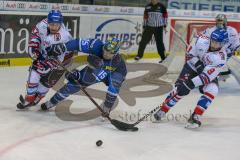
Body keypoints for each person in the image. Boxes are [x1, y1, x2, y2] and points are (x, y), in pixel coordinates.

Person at [153, 28, 229, 128]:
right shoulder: (201, 40)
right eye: (213, 41)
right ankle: (163, 109)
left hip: (205, 74)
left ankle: (195, 116)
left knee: (213, 89)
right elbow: (190, 54)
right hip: (191, 67)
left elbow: (205, 77)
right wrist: (198, 64)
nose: (214, 45)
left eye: (217, 43)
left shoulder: (221, 58)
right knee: (180, 90)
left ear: (223, 44)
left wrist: (189, 84)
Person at [40, 37, 127, 117]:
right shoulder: (97, 45)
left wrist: (78, 76)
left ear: (116, 54)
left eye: (110, 53)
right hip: (98, 68)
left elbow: (91, 79)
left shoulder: (117, 62)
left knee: (112, 89)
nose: (106, 54)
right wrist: (62, 47)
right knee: (72, 85)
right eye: (105, 50)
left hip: (116, 72)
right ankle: (52, 102)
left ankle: (106, 109)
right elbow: (78, 43)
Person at [17, 10, 73, 109]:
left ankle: (37, 97)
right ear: (48, 22)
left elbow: (67, 54)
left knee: (47, 82)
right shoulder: (42, 25)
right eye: (51, 24)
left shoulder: (65, 36)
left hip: (62, 61)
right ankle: (29, 99)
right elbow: (35, 36)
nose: (54, 27)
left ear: (60, 24)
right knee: (34, 72)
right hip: (45, 55)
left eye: (57, 25)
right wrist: (34, 47)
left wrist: (51, 64)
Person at [202, 14, 240, 80]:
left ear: (225, 21)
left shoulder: (232, 31)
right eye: (218, 21)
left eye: (221, 21)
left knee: (236, 62)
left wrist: (235, 53)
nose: (220, 23)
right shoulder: (210, 31)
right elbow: (204, 45)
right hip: (215, 55)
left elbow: (236, 46)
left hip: (229, 56)